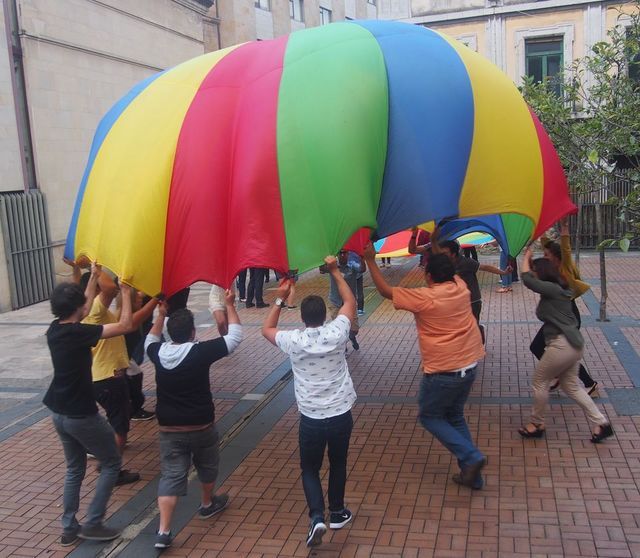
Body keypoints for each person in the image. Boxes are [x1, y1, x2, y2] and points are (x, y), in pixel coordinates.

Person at [364, 243, 487, 490]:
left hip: (444, 371)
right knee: (454, 415)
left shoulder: (425, 297)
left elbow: (386, 291)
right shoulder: (459, 286)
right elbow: (446, 268)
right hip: (469, 365)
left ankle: (472, 457)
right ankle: (471, 474)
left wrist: (370, 260)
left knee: (430, 416)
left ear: (429, 276)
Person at [262, 257, 357, 548]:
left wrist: (279, 300)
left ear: (303, 318)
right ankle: (338, 512)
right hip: (341, 412)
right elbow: (349, 301)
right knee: (338, 462)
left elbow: (266, 330)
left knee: (309, 468)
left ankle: (317, 517)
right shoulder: (337, 331)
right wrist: (334, 271)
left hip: (312, 419)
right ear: (324, 317)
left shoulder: (295, 340)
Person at [145, 291, 243, 550]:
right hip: (201, 425)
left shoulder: (156, 353)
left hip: (169, 429)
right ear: (192, 332)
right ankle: (207, 503)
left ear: (171, 332)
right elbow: (234, 337)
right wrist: (230, 305)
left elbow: (150, 339)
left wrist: (161, 314)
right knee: (207, 465)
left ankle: (164, 531)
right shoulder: (200, 352)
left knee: (171, 476)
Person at [44, 263, 132, 545]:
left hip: (58, 411)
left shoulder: (56, 329)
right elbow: (125, 325)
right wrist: (126, 293)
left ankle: (69, 528)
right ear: (78, 308)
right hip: (81, 415)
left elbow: (82, 308)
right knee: (110, 462)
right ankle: (93, 522)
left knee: (74, 468)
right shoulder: (79, 333)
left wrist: (93, 276)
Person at [518, 247, 613, 442]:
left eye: (536, 271)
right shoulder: (560, 289)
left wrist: (526, 256)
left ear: (542, 273)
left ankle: (537, 424)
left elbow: (528, 280)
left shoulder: (554, 290)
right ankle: (602, 423)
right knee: (571, 387)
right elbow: (533, 280)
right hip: (573, 345)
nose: (534, 274)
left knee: (539, 381)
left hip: (562, 344)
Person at [80, 271, 141, 486]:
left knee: (115, 422)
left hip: (101, 377)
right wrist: (102, 261)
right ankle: (112, 470)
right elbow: (109, 288)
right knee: (120, 428)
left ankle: (107, 460)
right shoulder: (95, 310)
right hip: (109, 379)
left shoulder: (88, 313)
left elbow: (129, 322)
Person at [531, 218, 599, 396]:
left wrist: (565, 230)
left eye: (547, 255)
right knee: (544, 349)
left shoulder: (565, 268)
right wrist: (541, 227)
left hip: (568, 315)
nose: (544, 258)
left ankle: (587, 382)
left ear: (556, 257)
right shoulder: (551, 268)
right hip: (558, 314)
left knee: (545, 349)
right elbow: (545, 242)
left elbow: (566, 250)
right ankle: (586, 382)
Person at [124, 291, 158, 421]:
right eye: (137, 298)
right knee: (134, 375)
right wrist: (157, 296)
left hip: (125, 356)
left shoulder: (130, 316)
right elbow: (145, 312)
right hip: (120, 358)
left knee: (135, 373)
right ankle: (132, 410)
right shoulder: (130, 318)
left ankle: (132, 408)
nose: (140, 299)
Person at [328, 250, 361, 350]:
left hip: (349, 302)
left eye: (344, 253)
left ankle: (351, 337)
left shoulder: (352, 265)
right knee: (338, 329)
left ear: (348, 254)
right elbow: (322, 269)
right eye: (340, 253)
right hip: (335, 301)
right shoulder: (333, 266)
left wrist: (362, 257)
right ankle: (344, 347)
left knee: (354, 329)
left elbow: (362, 269)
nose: (342, 255)